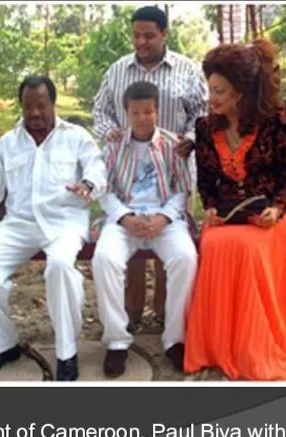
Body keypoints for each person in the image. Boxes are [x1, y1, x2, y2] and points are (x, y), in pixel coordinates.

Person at [184, 40, 286, 381]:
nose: (212, 99)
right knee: (214, 244)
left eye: (219, 91)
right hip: (226, 218)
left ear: (241, 92)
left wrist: (276, 208)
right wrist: (210, 208)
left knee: (250, 248)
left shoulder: (274, 120)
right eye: (209, 89)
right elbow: (207, 183)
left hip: (275, 218)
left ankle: (255, 348)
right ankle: (217, 348)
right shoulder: (204, 127)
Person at [0, 75, 106, 381]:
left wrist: (88, 184)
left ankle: (67, 353)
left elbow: (97, 166)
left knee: (59, 267)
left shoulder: (76, 136)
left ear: (53, 104)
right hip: (20, 223)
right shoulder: (9, 141)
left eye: (41, 106)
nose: (34, 113)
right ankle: (3, 345)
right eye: (28, 107)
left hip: (64, 220)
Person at [92, 5, 208, 329]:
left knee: (169, 235)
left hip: (175, 170)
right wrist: (109, 133)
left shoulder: (186, 69)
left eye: (149, 36)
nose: (141, 42)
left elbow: (202, 112)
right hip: (127, 172)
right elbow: (100, 110)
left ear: (164, 34)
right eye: (136, 35)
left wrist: (189, 138)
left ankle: (163, 313)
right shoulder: (117, 71)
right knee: (128, 242)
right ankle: (130, 315)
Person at [92, 81, 198, 377]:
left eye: (148, 111)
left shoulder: (172, 143)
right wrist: (125, 217)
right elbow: (105, 190)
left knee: (185, 258)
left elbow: (181, 189)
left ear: (157, 110)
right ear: (126, 113)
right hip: (125, 221)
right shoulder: (113, 145)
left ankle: (175, 338)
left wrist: (163, 218)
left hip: (164, 220)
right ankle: (116, 341)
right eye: (136, 112)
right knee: (104, 259)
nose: (143, 118)